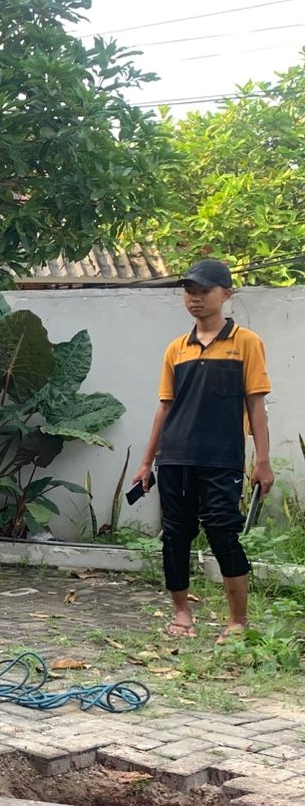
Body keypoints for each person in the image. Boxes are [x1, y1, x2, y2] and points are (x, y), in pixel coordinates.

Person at [131, 258, 271, 642]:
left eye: (204, 291)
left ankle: (238, 622)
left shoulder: (246, 343)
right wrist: (146, 462)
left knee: (224, 534)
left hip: (222, 458)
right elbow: (164, 407)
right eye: (189, 291)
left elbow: (256, 405)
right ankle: (181, 614)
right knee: (175, 537)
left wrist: (262, 461)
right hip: (175, 457)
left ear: (226, 294)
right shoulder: (176, 349)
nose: (195, 298)